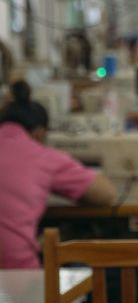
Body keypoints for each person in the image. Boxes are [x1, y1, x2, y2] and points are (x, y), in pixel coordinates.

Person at [0, 81, 117, 268]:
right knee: (84, 269)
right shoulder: (41, 156)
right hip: (16, 281)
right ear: (39, 133)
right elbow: (106, 194)